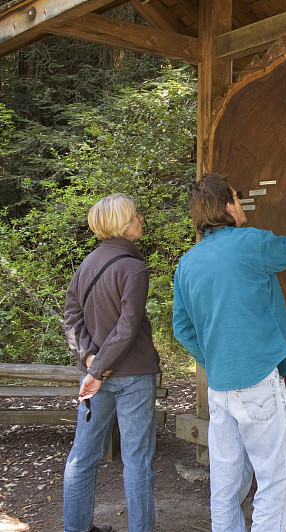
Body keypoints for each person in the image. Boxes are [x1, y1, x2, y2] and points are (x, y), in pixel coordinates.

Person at [172, 172, 286, 532]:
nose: (242, 201)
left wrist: (214, 359)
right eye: (237, 196)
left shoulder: (187, 263)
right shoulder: (251, 243)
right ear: (227, 206)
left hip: (220, 387)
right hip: (258, 381)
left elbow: (182, 329)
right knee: (273, 480)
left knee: (225, 484)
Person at [62, 193, 161, 532]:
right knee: (137, 461)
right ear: (121, 224)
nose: (141, 219)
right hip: (134, 376)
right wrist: (96, 367)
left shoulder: (85, 266)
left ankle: (76, 528)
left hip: (95, 378)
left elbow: (71, 319)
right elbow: (128, 328)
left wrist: (91, 361)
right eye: (135, 216)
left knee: (83, 457)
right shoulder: (133, 268)